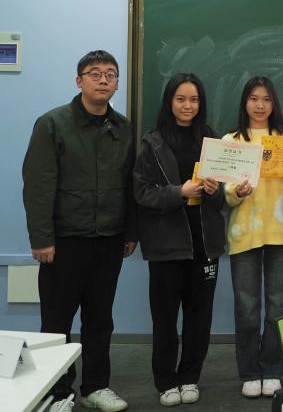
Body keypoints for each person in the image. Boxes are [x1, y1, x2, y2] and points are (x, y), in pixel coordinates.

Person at [22, 50, 136, 412]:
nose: (103, 80)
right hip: (64, 240)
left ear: (117, 83)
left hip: (108, 239)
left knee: (100, 319)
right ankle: (57, 393)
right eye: (95, 73)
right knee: (56, 321)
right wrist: (41, 238)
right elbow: (38, 185)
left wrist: (130, 232)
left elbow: (130, 184)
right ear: (79, 81)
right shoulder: (52, 124)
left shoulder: (124, 128)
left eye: (110, 74)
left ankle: (96, 386)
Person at [133, 73, 225, 407]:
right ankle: (166, 381)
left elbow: (222, 197)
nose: (188, 106)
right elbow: (142, 192)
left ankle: (190, 377)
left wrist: (215, 191)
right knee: (165, 318)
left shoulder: (211, 140)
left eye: (194, 99)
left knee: (200, 318)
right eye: (181, 99)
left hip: (205, 242)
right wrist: (179, 192)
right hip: (167, 244)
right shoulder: (152, 142)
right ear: (169, 101)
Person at [223, 76, 283, 398]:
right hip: (244, 232)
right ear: (245, 102)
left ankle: (271, 369)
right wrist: (237, 191)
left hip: (280, 231)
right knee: (246, 308)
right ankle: (249, 371)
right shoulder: (231, 140)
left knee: (277, 306)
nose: (260, 105)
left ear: (274, 104)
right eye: (254, 99)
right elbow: (226, 192)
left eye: (266, 99)